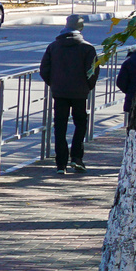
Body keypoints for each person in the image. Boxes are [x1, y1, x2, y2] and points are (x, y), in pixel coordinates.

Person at [42, 14, 101, 173]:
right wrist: (87, 86)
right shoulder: (87, 48)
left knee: (60, 126)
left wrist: (54, 83)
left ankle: (61, 164)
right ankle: (77, 157)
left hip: (59, 92)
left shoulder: (53, 47)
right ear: (81, 28)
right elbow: (92, 71)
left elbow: (44, 70)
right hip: (80, 93)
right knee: (80, 124)